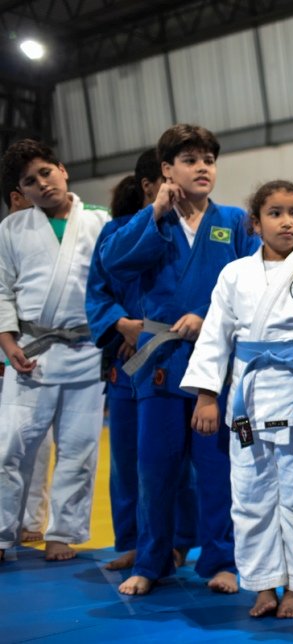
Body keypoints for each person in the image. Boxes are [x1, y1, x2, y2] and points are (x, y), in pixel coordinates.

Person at [99, 124, 259, 595]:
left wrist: (206, 316)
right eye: (190, 160)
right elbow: (115, 264)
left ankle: (221, 560)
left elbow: (252, 286)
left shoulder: (233, 221)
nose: (203, 167)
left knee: (216, 470)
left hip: (217, 369)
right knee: (156, 468)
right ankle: (151, 563)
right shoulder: (149, 222)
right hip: (160, 365)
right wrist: (154, 213)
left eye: (208, 159)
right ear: (166, 170)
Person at [181, 180, 293, 619]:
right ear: (255, 223)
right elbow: (214, 337)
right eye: (275, 213)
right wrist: (207, 397)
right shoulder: (234, 274)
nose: (287, 221)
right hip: (247, 401)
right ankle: (263, 585)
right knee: (250, 497)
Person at [85, 149, 198, 571]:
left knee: (183, 460)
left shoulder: (194, 231)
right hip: (126, 360)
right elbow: (98, 288)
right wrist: (122, 325)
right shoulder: (117, 231)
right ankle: (135, 542)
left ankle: (181, 541)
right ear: (149, 186)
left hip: (172, 355)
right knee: (130, 460)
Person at [0, 139, 110, 562]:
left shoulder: (102, 221)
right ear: (21, 193)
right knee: (11, 447)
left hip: (85, 350)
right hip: (31, 351)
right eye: (30, 181)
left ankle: (62, 533)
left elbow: (116, 282)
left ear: (63, 170)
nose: (42, 184)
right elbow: (2, 290)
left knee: (78, 447)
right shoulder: (12, 229)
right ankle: (4, 532)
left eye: (46, 172)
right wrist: (8, 344)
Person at [1, 184, 54, 544]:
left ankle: (31, 521)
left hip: (31, 352)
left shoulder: (48, 239)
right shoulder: (7, 238)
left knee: (36, 443)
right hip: (11, 347)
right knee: (9, 446)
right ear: (16, 198)